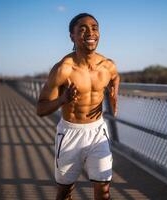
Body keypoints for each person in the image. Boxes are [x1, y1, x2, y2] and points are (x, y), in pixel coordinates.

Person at [36, 13, 120, 200]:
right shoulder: (63, 69)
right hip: (70, 134)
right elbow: (40, 109)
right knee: (65, 192)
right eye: (82, 29)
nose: (90, 32)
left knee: (103, 190)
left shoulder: (107, 66)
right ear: (72, 36)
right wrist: (62, 100)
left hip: (98, 131)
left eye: (94, 28)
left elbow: (115, 77)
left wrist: (114, 94)